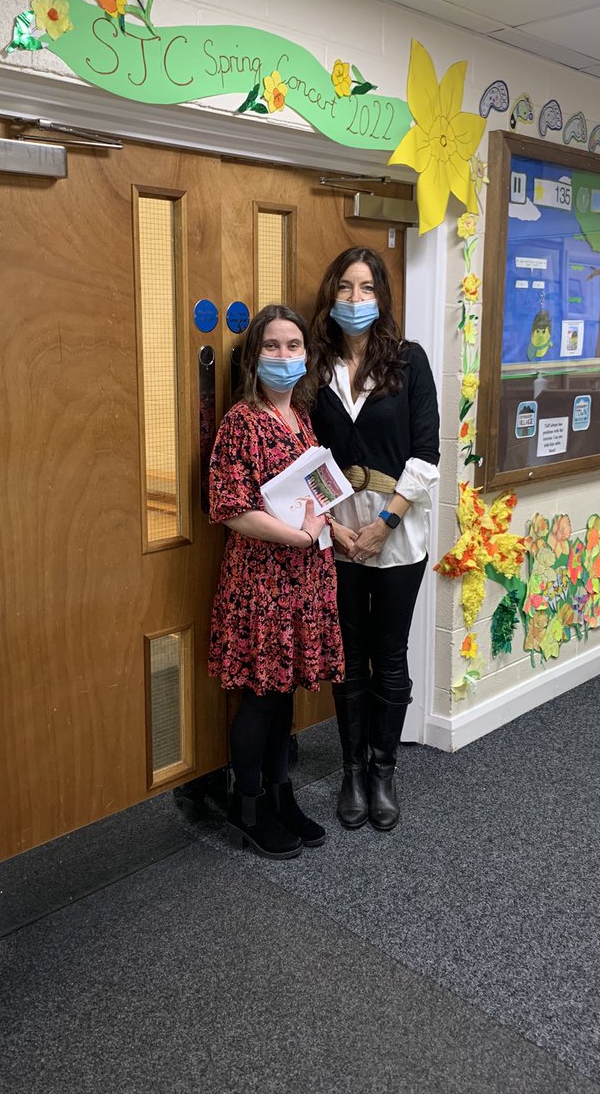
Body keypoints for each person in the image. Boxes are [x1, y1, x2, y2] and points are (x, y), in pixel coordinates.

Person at [308, 248, 439, 832]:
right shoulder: (314, 367)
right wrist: (334, 526)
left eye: (366, 288)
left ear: (382, 297)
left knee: (388, 653)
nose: (355, 300)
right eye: (345, 288)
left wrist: (384, 524)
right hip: (334, 531)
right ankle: (352, 770)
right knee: (347, 656)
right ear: (330, 296)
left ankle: (383, 771)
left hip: (398, 530)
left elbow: (426, 452)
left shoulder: (409, 362)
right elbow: (303, 455)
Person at [208, 304, 344, 859]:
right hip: (262, 583)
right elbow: (230, 507)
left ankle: (282, 798)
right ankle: (249, 807)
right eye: (272, 346)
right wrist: (303, 537)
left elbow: (314, 493)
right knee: (261, 697)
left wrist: (329, 528)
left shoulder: (302, 418)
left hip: (305, 580)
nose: (284, 357)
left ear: (306, 357)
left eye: (294, 346)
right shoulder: (242, 421)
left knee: (284, 695)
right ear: (254, 356)